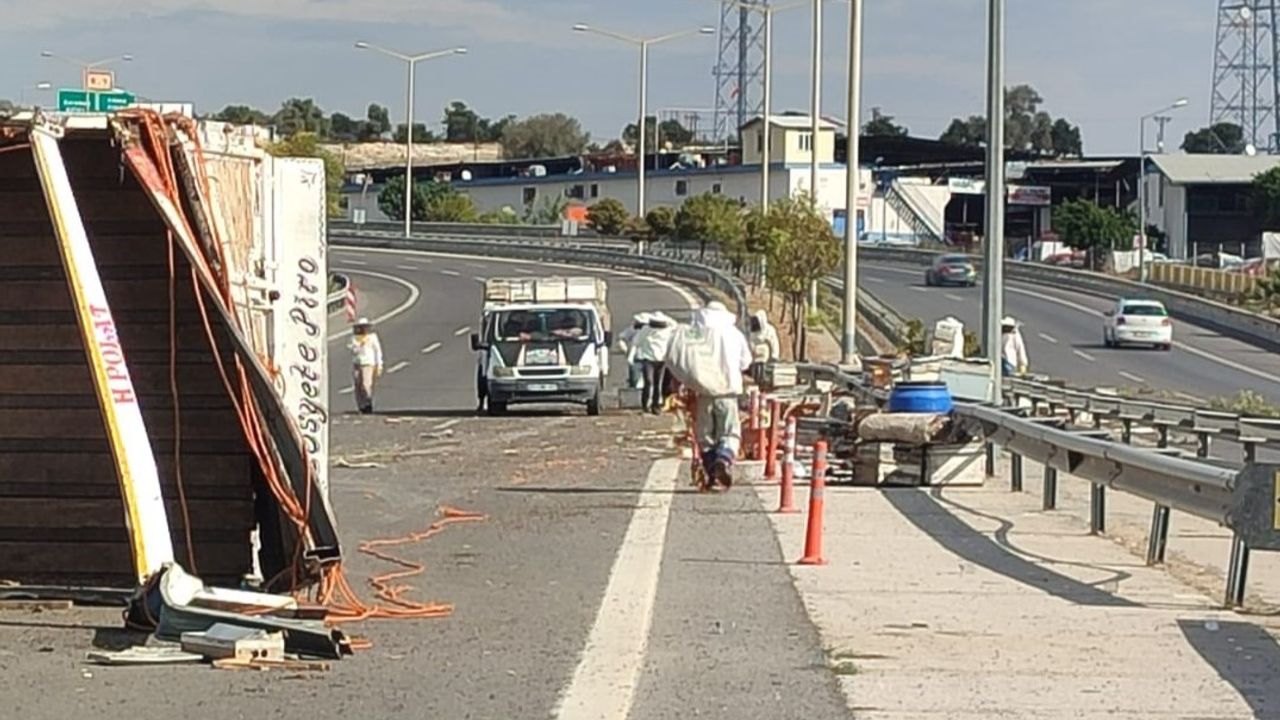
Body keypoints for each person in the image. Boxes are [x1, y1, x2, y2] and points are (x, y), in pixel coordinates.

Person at [667, 300, 753, 490]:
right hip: (728, 393)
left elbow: (685, 357)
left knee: (705, 437)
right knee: (729, 432)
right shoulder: (734, 334)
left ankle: (712, 473)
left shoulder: (696, 334)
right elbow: (745, 362)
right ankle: (723, 459)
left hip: (703, 393)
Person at [633, 312, 675, 414]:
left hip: (661, 359)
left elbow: (675, 325)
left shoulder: (667, 330)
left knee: (658, 384)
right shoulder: (646, 330)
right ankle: (645, 404)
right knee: (648, 382)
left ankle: (655, 406)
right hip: (648, 359)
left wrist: (666, 319)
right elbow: (636, 341)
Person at [348, 317, 384, 414]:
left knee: (366, 384)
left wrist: (379, 364)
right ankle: (361, 405)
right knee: (358, 386)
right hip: (357, 364)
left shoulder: (372, 337)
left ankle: (368, 403)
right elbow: (352, 349)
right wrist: (359, 345)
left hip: (368, 364)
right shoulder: (354, 338)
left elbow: (377, 351)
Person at [747, 309, 781, 386]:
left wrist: (774, 355)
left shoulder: (769, 330)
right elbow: (749, 341)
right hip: (754, 357)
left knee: (763, 374)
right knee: (754, 375)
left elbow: (774, 343)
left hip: (765, 358)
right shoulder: (752, 330)